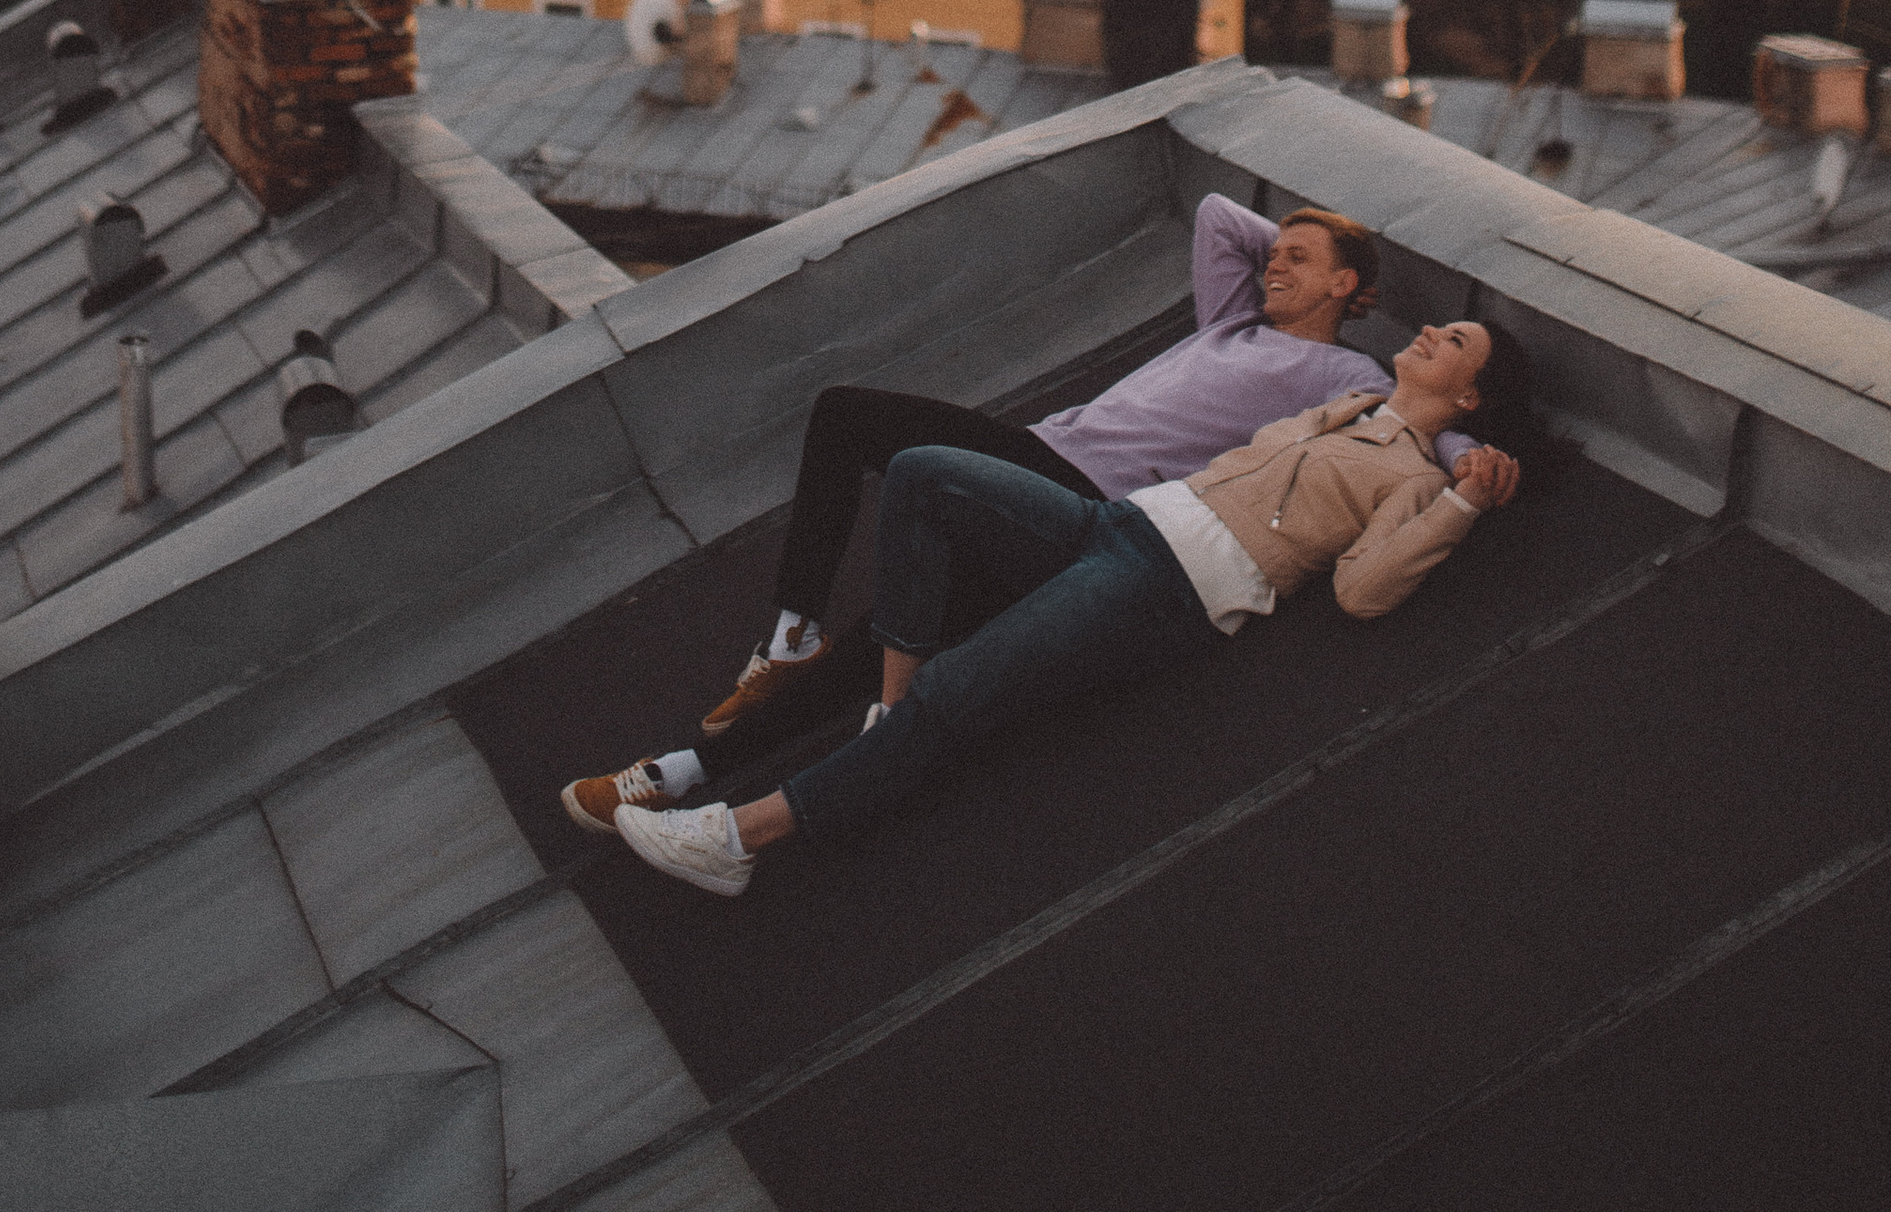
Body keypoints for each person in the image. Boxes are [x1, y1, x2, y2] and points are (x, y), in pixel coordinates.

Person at [563, 194, 1499, 828]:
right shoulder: (1232, 317)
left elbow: (1428, 428)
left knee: (876, 581)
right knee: (866, 560)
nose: (1274, 266)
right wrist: (1306, 249)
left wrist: (1468, 462)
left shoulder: (1351, 374)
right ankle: (750, 683)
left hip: (1084, 505)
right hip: (1037, 453)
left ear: (1345, 288)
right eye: (1277, 255)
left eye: (1301, 262)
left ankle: (702, 762)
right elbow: (1219, 217)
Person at [612, 313, 1536, 898]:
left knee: (964, 689)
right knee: (925, 474)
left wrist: (1462, 492)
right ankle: (886, 709)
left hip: (1171, 586)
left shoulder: (1419, 480)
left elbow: (1362, 589)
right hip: (1117, 521)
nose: (1428, 332)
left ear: (1470, 392)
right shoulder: (1352, 405)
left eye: (1455, 340)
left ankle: (737, 838)